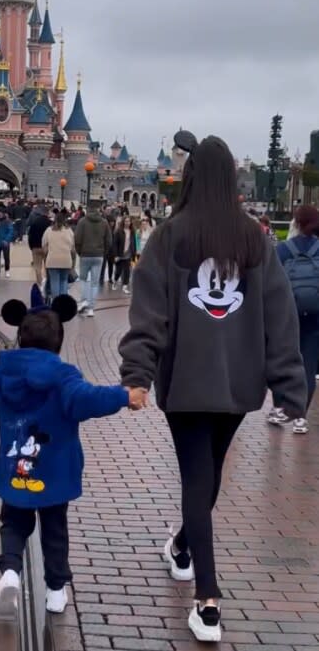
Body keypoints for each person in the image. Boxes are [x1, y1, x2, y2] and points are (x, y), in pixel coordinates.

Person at [118, 130, 306, 644]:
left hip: (185, 384)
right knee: (207, 476)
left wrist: (138, 372)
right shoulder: (256, 241)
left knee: (199, 480)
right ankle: (183, 547)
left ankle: (207, 598)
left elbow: (149, 314)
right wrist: (290, 386)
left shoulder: (169, 237)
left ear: (193, 178)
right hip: (239, 387)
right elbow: (279, 317)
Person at [0, 286, 145, 618]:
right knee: (54, 528)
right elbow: (88, 398)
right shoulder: (64, 380)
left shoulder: (3, 380)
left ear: (19, 337)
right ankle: (56, 590)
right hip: (55, 472)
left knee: (14, 523)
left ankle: (10, 570)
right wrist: (125, 396)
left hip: (16, 470)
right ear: (59, 340)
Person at [271, 205, 319, 433]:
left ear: (296, 223)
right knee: (308, 365)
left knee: (283, 360)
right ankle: (301, 417)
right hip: (315, 314)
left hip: (287, 313)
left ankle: (279, 408)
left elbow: (272, 283)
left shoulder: (283, 249)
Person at [75, 204, 112, 318]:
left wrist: (80, 252)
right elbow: (109, 240)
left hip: (85, 254)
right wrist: (103, 252)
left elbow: (77, 239)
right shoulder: (104, 223)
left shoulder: (82, 222)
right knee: (95, 283)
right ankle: (91, 308)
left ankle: (83, 301)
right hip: (99, 255)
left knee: (83, 279)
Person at [42, 212, 76, 298]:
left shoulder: (49, 230)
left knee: (54, 282)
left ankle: (55, 303)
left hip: (52, 260)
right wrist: (73, 262)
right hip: (66, 260)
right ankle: (63, 303)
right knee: (64, 281)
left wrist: (45, 258)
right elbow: (73, 249)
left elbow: (45, 249)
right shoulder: (69, 231)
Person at [27, 204, 52, 286]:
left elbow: (30, 235)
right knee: (47, 266)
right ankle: (48, 282)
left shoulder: (35, 222)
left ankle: (40, 283)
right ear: (47, 213)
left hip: (35, 247)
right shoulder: (50, 223)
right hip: (46, 248)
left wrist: (31, 246)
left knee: (37, 267)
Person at [112, 216, 136, 294]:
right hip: (120, 254)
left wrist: (133, 254)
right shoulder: (118, 231)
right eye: (126, 221)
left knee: (127, 271)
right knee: (118, 271)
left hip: (128, 254)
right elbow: (115, 244)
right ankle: (115, 281)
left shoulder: (132, 231)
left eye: (129, 221)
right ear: (123, 222)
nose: (127, 223)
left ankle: (125, 286)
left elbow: (133, 243)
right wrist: (115, 255)